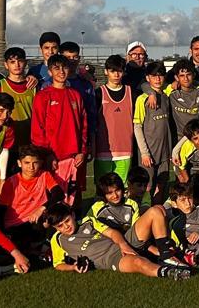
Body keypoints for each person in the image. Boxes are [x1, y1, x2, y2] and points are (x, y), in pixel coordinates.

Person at [46, 202, 191, 279]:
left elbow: (112, 232)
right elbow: (58, 264)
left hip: (124, 242)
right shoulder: (57, 240)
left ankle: (166, 255)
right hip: (112, 259)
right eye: (60, 226)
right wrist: (73, 267)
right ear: (54, 227)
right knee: (139, 262)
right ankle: (170, 272)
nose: (66, 226)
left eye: (67, 221)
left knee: (155, 211)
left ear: (72, 214)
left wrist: (122, 244)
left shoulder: (87, 221)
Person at [0, 145, 64, 258]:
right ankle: (39, 248)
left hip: (37, 220)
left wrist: (41, 208)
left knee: (60, 211)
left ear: (40, 163)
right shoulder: (11, 183)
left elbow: (59, 194)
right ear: (19, 163)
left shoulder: (44, 175)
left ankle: (43, 247)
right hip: (16, 226)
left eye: (35, 163)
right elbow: (0, 211)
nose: (31, 167)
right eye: (27, 163)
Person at [30, 53, 89, 202]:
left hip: (74, 158)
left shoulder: (75, 95)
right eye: (56, 68)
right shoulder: (43, 96)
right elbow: (37, 129)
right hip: (53, 158)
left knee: (74, 201)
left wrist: (82, 151)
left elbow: (83, 126)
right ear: (50, 72)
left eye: (64, 68)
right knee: (52, 200)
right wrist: (47, 155)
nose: (61, 72)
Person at [91, 55, 136, 184]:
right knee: (102, 189)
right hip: (103, 151)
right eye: (112, 71)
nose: (116, 74)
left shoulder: (131, 92)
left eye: (119, 71)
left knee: (123, 189)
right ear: (106, 72)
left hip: (125, 150)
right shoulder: (99, 94)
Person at [134, 61, 175, 185]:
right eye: (153, 76)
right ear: (147, 78)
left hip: (165, 153)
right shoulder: (142, 99)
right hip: (149, 153)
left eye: (160, 75)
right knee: (146, 187)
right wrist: (144, 153)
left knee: (161, 186)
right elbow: (137, 127)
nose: (157, 79)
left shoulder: (167, 95)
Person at [0, 46, 37, 143]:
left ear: (25, 63)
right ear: (6, 65)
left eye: (20, 61)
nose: (17, 65)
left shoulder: (34, 86)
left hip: (31, 140)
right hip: (7, 141)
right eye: (12, 62)